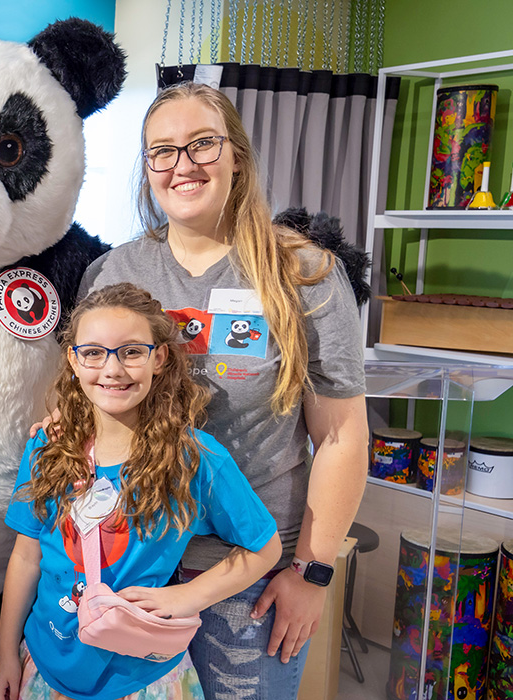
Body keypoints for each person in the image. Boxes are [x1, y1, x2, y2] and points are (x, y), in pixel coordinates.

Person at [76, 82, 369, 699]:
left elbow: (341, 436)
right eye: (162, 151)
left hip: (253, 575)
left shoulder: (306, 272)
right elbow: (84, 401)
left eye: (201, 144)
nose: (182, 165)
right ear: (148, 167)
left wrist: (311, 574)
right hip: (133, 561)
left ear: (237, 154)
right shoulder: (114, 271)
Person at [0, 283, 282, 700]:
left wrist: (188, 596)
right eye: (93, 352)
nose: (112, 370)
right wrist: (6, 652)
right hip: (45, 665)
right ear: (73, 360)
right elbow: (26, 555)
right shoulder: (48, 446)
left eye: (131, 352)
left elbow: (265, 547)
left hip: (143, 679)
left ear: (159, 358)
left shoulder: (196, 459)